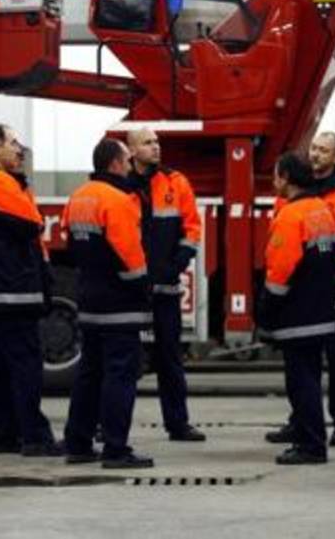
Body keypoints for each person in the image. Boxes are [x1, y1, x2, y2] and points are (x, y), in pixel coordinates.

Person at [266, 131, 335, 447]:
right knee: (304, 362)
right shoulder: (294, 188)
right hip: (304, 287)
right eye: (313, 148)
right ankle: (300, 420)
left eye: (324, 150)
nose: (315, 155)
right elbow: (281, 235)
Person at [0, 124, 60, 457]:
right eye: (13, 143)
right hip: (11, 290)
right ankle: (34, 435)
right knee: (24, 365)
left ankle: (0, 434)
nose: (20, 149)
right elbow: (33, 222)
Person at [62, 138, 155, 469]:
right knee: (120, 375)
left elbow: (70, 245)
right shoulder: (119, 201)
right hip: (120, 305)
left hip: (89, 300)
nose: (131, 167)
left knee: (89, 373)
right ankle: (115, 448)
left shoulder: (78, 197)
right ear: (116, 164)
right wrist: (144, 290)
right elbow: (130, 256)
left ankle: (78, 443)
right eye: (128, 161)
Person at [257, 151, 335, 464]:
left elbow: (280, 271)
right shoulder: (323, 211)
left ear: (288, 179)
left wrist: (266, 311)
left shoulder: (290, 216)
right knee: (312, 379)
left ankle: (311, 446)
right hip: (321, 310)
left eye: (277, 176)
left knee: (300, 382)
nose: (274, 182)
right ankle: (311, 439)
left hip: (297, 315)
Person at [126, 127, 206, 443]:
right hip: (131, 288)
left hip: (166, 288)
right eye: (148, 143)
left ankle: (178, 424)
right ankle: (110, 424)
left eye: (157, 142)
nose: (156, 147)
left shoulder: (176, 182)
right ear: (131, 150)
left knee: (170, 358)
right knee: (124, 360)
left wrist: (176, 267)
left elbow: (192, 230)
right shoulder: (121, 186)